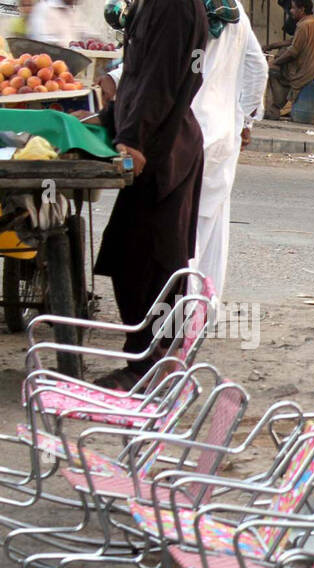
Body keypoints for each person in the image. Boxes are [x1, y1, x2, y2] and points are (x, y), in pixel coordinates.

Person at [92, 0, 209, 390]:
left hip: (161, 148)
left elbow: (161, 78)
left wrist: (133, 139)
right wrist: (110, 118)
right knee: (142, 256)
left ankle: (147, 364)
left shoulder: (172, 5)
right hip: (161, 141)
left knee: (147, 259)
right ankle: (150, 357)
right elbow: (143, 75)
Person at [190, 0, 266, 300]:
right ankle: (203, 309)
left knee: (184, 227)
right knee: (210, 224)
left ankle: (184, 307)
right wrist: (245, 121)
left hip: (191, 128)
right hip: (224, 131)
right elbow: (257, 68)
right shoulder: (234, 11)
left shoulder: (193, 9)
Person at [263, 0, 314, 121]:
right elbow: (292, 41)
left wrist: (275, 61)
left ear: (302, 10)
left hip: (305, 71)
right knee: (278, 60)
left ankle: (274, 108)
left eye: (293, 8)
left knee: (271, 69)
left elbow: (293, 51)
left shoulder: (304, 26)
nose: (290, 11)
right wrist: (270, 46)